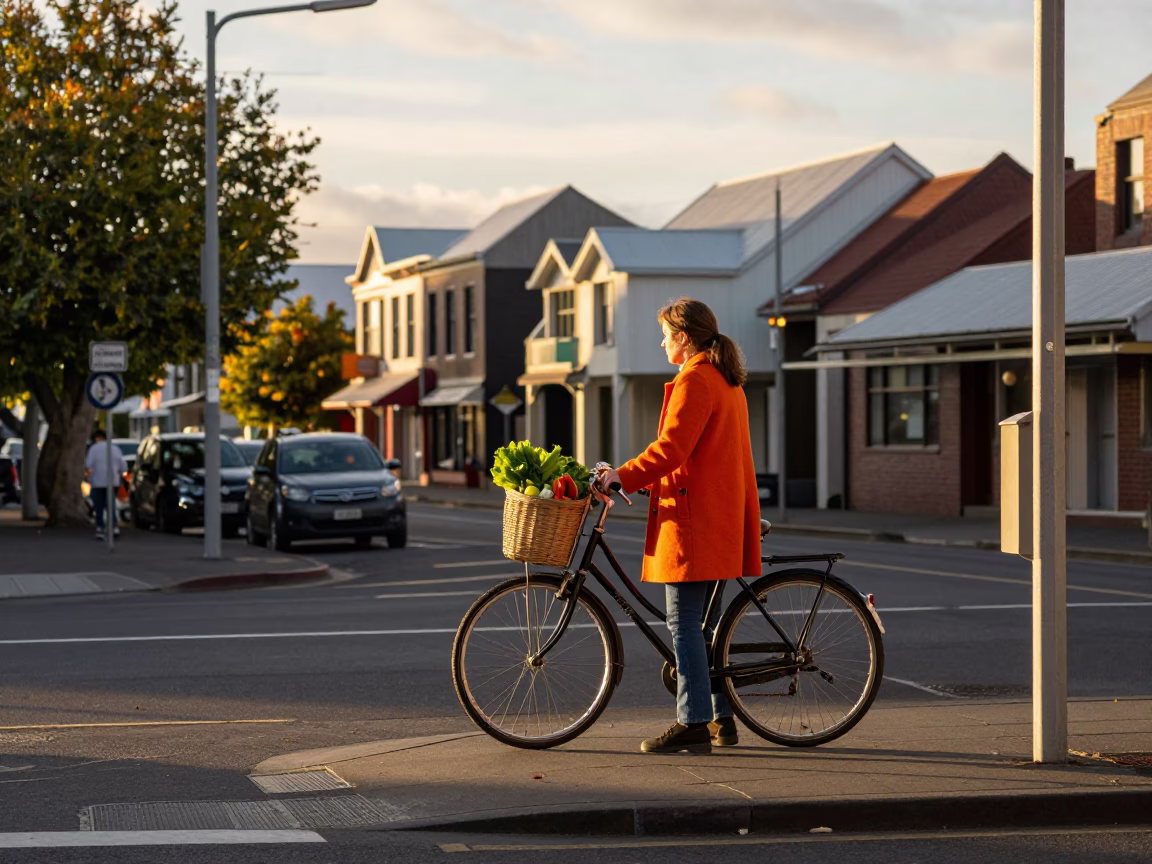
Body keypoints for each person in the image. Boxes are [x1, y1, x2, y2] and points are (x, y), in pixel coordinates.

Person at [597, 297, 761, 754]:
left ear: (684, 337)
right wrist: (657, 484)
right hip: (718, 515)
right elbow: (705, 459)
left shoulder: (697, 380)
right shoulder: (726, 381)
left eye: (666, 334)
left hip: (697, 524)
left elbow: (671, 449)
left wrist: (621, 476)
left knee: (684, 624)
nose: (662, 341)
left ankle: (692, 722)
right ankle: (721, 721)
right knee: (703, 628)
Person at [85, 429, 128, 540]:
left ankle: (100, 528)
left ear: (97, 438)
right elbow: (123, 466)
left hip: (98, 481)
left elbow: (88, 464)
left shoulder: (94, 449)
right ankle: (114, 526)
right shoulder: (115, 449)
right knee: (111, 504)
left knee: (99, 505)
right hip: (113, 481)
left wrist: (89, 476)